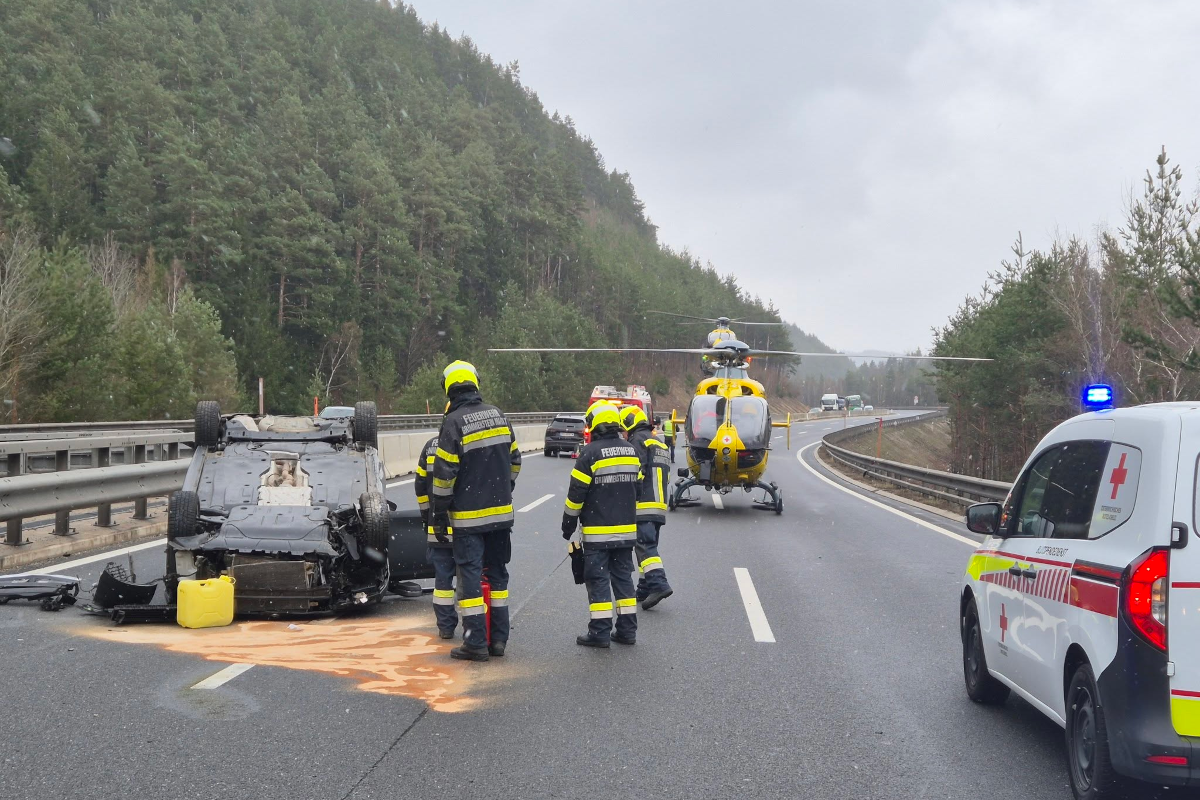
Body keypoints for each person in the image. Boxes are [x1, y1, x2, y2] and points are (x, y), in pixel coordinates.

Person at [431, 360, 521, 661]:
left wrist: (439, 514)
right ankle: (499, 640)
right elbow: (516, 461)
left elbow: (444, 476)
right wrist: (504, 489)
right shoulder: (499, 415)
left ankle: (476, 643)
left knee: (470, 577)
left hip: (468, 520)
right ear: (475, 383)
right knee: (497, 575)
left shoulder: (453, 422)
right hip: (501, 517)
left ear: (448, 389)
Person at [562, 402, 640, 647]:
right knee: (623, 579)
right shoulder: (631, 451)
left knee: (598, 580)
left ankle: (600, 632)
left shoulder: (590, 453)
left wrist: (568, 525)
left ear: (594, 424)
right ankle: (627, 631)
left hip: (597, 534)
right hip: (626, 532)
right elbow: (637, 489)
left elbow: (576, 494)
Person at [622, 405, 673, 609]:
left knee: (644, 546)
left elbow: (637, 472)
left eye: (623, 429)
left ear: (629, 424)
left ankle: (659, 585)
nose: (623, 434)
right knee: (648, 548)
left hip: (644, 503)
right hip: (659, 505)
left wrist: (626, 498)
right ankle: (644, 588)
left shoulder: (637, 440)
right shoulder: (658, 442)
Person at [415, 434, 457, 639]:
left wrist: (427, 516)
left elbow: (420, 486)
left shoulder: (430, 446)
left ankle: (446, 627)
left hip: (438, 527)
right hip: (467, 525)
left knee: (443, 580)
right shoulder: (468, 440)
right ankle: (475, 628)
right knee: (471, 575)